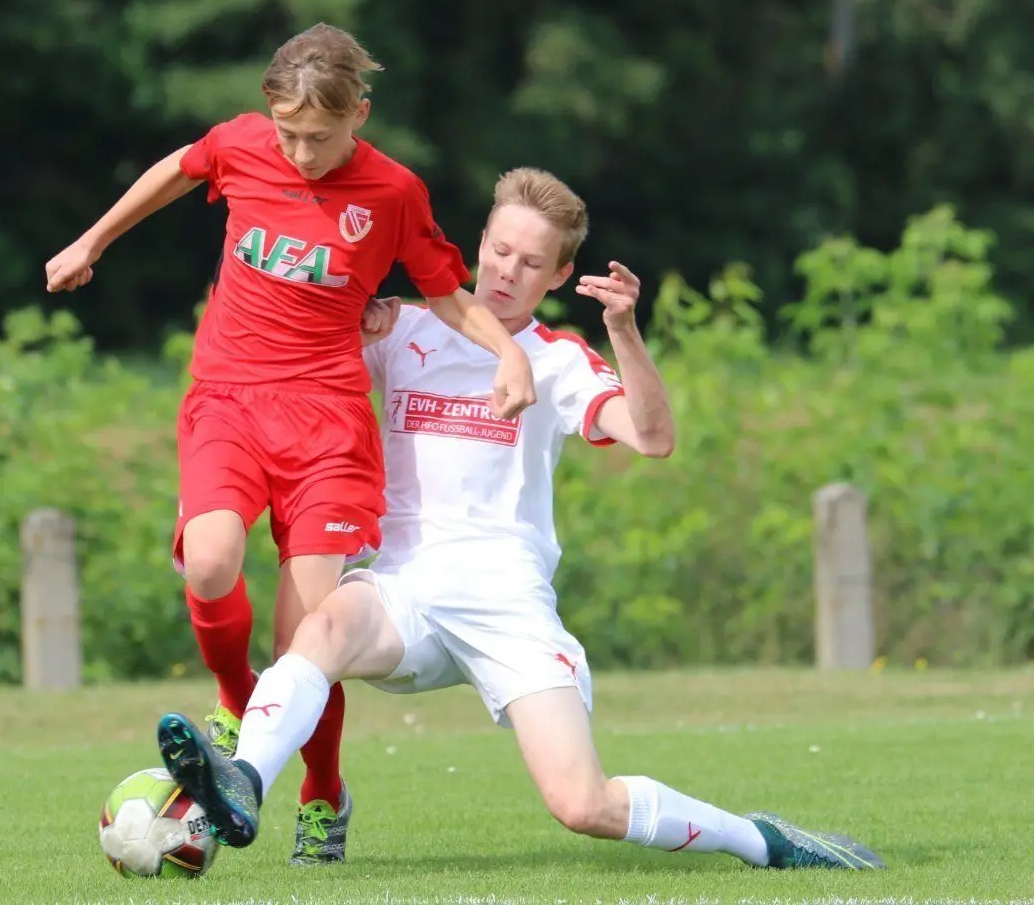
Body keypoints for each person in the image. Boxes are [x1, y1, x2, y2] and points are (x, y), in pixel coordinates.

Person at [153, 167, 886, 872]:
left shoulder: (558, 359)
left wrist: (625, 329)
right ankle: (246, 780)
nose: (507, 271)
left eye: (531, 263)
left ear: (559, 277)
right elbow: (291, 369)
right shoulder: (404, 330)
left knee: (582, 803)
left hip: (506, 602)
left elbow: (654, 437)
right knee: (319, 629)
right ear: (478, 244)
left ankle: (764, 842)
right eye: (499, 250)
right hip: (405, 590)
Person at [45, 24, 538, 864]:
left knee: (308, 637)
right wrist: (94, 240)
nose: (301, 152)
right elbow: (179, 166)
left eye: (320, 136)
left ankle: (322, 795)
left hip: (329, 427)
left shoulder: (392, 191)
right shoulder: (242, 144)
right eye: (288, 134)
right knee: (208, 564)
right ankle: (235, 705)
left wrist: (511, 350)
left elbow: (446, 292)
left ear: (360, 116)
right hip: (229, 402)